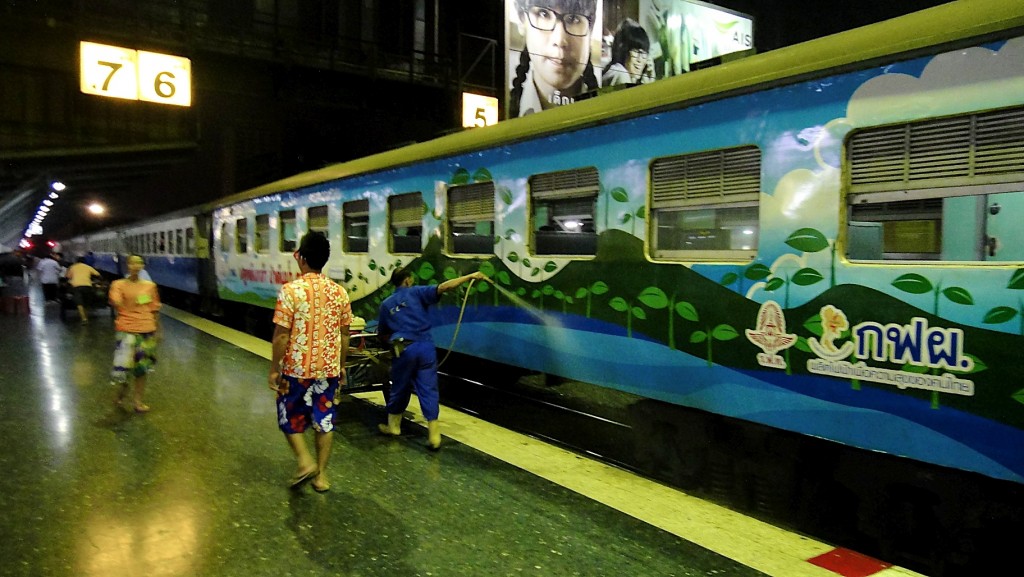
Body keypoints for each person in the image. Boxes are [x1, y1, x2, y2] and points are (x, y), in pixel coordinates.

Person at [268, 231, 352, 492]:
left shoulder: (290, 291)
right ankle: (322, 477)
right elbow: (345, 334)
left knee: (288, 416)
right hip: (327, 370)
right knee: (324, 421)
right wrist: (341, 365)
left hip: (297, 370)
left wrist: (274, 368)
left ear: (301, 259)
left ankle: (305, 461)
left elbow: (282, 336)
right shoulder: (340, 293)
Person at [377, 268, 490, 450]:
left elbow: (382, 333)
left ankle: (393, 427)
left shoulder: (386, 304)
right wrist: (470, 276)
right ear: (408, 280)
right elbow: (445, 287)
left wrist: (390, 344)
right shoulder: (418, 292)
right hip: (426, 347)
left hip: (404, 349)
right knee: (428, 389)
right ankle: (434, 434)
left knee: (399, 387)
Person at [509, 0, 599, 117]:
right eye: (544, 14)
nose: (560, 40)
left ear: (590, 30)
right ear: (522, 20)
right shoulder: (500, 108)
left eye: (573, 19)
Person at [108, 254, 161, 413]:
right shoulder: (118, 284)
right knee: (123, 368)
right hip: (126, 330)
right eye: (132, 263)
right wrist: (122, 302)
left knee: (142, 369)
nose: (136, 266)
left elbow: (154, 308)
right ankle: (122, 392)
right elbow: (116, 302)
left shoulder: (150, 286)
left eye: (139, 263)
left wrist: (158, 329)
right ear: (127, 265)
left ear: (142, 266)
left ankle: (138, 401)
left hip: (146, 330)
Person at [602, 18, 654, 86]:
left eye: (644, 53)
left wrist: (648, 79)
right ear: (623, 51)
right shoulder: (620, 74)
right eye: (636, 52)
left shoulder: (621, 73)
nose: (640, 59)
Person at [66, 256, 101, 324]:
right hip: (87, 286)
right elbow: (98, 274)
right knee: (86, 302)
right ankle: (86, 316)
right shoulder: (87, 266)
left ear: (76, 261)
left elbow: (68, 277)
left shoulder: (73, 267)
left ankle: (84, 319)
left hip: (76, 286)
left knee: (79, 302)